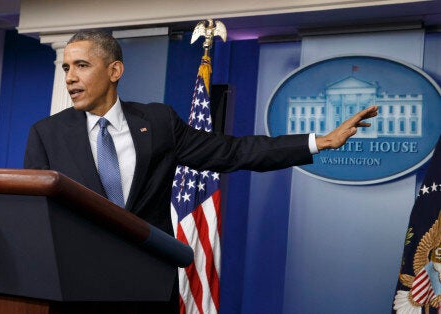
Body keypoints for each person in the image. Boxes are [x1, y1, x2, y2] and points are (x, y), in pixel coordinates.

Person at [23, 30, 378, 313]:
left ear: (114, 71)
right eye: (66, 68)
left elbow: (232, 151)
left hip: (148, 285)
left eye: (81, 65)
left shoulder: (157, 121)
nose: (70, 77)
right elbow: (36, 218)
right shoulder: (47, 133)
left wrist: (320, 141)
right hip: (78, 287)